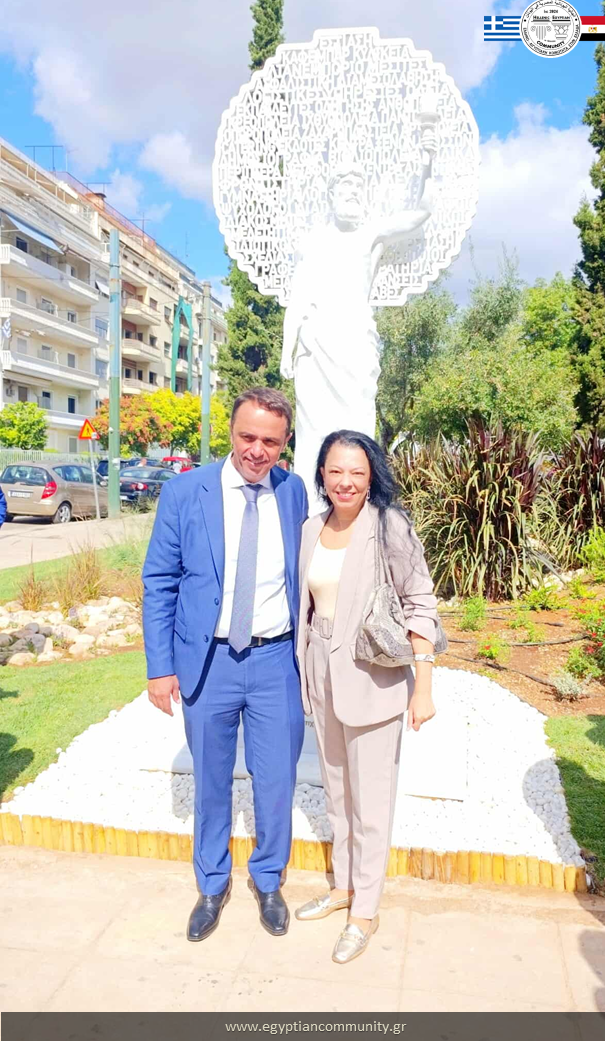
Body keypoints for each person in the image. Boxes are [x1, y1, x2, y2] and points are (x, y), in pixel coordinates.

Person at [142, 388, 308, 941]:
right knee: (211, 779)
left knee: (276, 779)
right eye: (247, 437)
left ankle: (268, 879)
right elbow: (159, 582)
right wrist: (160, 667)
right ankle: (211, 884)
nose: (257, 450)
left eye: (271, 442)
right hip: (207, 661)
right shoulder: (185, 491)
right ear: (230, 433)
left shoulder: (293, 492)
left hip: (275, 661)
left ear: (285, 443)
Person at [295, 430, 444, 964]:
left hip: (373, 676)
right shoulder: (311, 528)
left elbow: (420, 602)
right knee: (337, 793)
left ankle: (366, 911)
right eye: (336, 470)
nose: (346, 482)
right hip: (321, 673)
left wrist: (423, 686)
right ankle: (344, 887)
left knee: (372, 802)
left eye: (357, 472)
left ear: (372, 475)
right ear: (322, 473)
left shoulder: (389, 527)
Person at [280, 136, 435, 507]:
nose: (352, 192)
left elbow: (420, 213)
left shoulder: (371, 234)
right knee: (313, 428)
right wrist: (287, 350)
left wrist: (427, 163)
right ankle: (311, 510)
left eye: (357, 186)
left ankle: (358, 510)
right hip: (316, 344)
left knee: (358, 424)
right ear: (331, 194)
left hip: (356, 343)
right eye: (345, 185)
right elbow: (298, 299)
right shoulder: (314, 243)